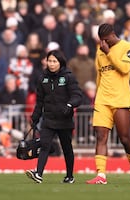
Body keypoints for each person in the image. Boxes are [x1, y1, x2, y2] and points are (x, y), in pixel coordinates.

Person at [86, 23, 130, 185]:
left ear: (112, 35)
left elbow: (124, 69)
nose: (103, 43)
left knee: (124, 138)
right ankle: (101, 175)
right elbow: (100, 75)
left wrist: (109, 53)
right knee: (101, 136)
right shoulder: (100, 50)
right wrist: (96, 97)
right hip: (103, 99)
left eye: (105, 40)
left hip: (121, 99)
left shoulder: (127, 47)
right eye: (100, 41)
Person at [26, 50, 83, 184]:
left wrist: (70, 105)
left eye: (54, 61)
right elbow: (39, 101)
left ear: (60, 62)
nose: (51, 64)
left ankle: (69, 176)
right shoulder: (42, 78)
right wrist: (35, 118)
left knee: (67, 148)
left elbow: (77, 95)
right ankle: (38, 173)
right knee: (44, 145)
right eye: (49, 61)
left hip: (64, 120)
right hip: (48, 119)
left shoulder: (68, 77)